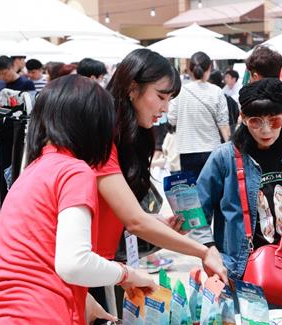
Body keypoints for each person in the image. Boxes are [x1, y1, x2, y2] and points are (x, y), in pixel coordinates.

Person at [0, 75, 158, 325]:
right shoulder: (75, 171)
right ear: (92, 123)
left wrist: (90, 307)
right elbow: (73, 263)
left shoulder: (32, 172)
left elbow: (37, 265)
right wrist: (128, 275)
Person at [96, 48, 227, 307]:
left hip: (107, 265)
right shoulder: (102, 139)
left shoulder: (133, 137)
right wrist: (204, 250)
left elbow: (128, 217)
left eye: (169, 99)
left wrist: (156, 223)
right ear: (132, 88)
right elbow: (134, 221)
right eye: (160, 97)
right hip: (90, 269)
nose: (165, 109)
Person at [195, 78, 282, 318]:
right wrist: (210, 251)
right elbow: (196, 214)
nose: (266, 130)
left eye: (274, 121)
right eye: (256, 122)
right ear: (243, 119)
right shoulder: (224, 157)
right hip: (244, 270)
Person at [168, 51, 230, 179]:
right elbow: (223, 124)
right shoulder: (217, 91)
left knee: (192, 194)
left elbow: (172, 119)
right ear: (209, 68)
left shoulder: (179, 91)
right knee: (213, 191)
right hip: (212, 149)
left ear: (190, 69)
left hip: (186, 149)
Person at [210, 69, 240, 135]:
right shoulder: (226, 87)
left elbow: (235, 99)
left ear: (234, 79)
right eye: (225, 77)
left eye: (227, 77)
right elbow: (221, 95)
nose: (225, 79)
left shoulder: (239, 88)